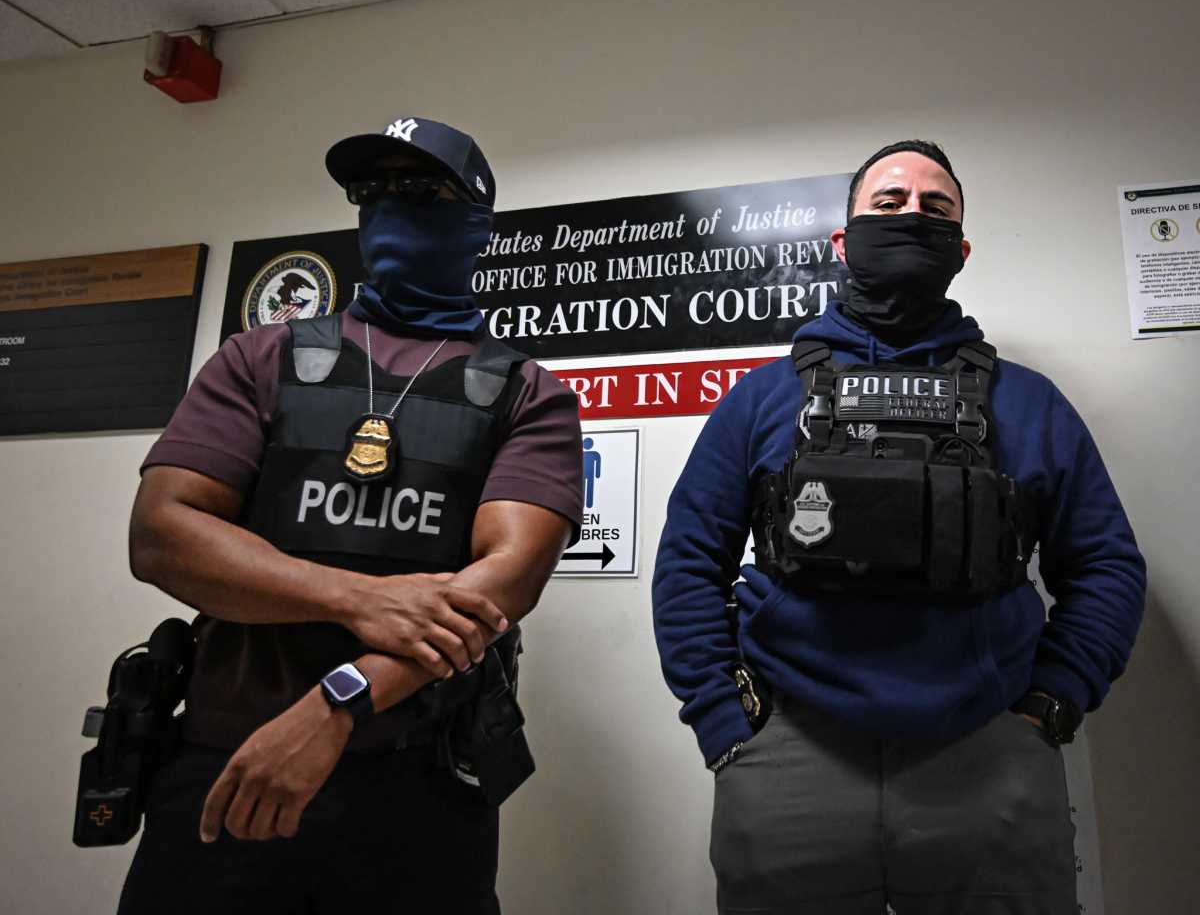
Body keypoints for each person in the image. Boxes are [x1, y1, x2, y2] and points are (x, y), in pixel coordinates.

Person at [652, 140, 1146, 914]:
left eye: (935, 207)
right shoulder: (759, 399)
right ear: (842, 241)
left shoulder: (1032, 403)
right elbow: (687, 562)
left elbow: (1107, 566)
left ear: (962, 246)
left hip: (989, 757)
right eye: (889, 203)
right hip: (791, 755)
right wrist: (724, 720)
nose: (912, 215)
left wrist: (1052, 702)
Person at [118, 116, 583, 914]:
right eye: (373, 191)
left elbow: (504, 583)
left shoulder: (524, 393)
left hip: (420, 778)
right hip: (232, 761)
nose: (390, 206)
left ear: (476, 221)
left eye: (420, 189)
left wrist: (341, 699)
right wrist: (360, 598)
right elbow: (162, 535)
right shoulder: (260, 358)